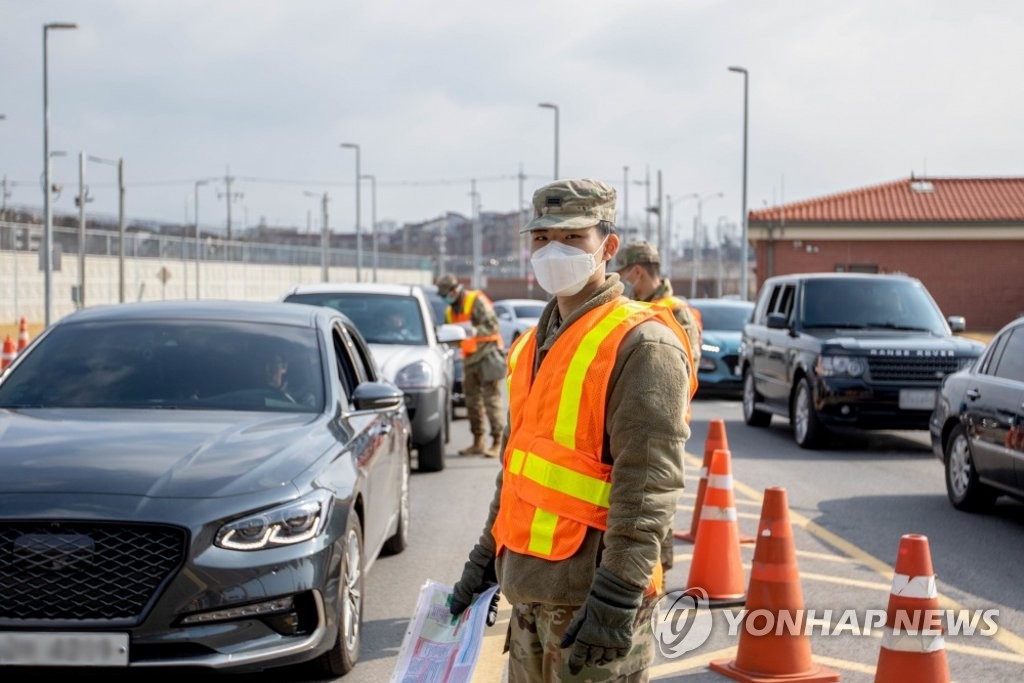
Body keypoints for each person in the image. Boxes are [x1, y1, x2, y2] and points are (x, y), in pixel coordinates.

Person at [448, 178, 695, 681]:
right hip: (529, 594)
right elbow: (518, 473)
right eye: (541, 239)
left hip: (592, 602)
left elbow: (649, 484)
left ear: (608, 247)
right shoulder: (531, 345)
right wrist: (483, 562)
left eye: (571, 238)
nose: (552, 250)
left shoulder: (643, 343)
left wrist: (618, 594)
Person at [615, 240, 703, 574]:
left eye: (622, 273)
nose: (619, 280)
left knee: (653, 499)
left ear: (636, 272)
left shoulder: (672, 310)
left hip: (663, 419)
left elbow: (682, 367)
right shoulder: (639, 306)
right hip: (635, 417)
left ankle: (656, 574)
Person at [435, 272, 506, 458]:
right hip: (470, 359)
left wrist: (473, 331)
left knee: (492, 402)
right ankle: (478, 442)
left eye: (446, 294)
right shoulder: (450, 312)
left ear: (455, 289)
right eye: (442, 296)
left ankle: (498, 442)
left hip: (488, 355)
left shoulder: (475, 300)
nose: (445, 298)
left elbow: (493, 326)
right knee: (472, 403)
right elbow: (452, 338)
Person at [616, 240, 703, 371]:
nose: (622, 281)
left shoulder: (677, 311)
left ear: (637, 272)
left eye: (623, 275)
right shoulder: (631, 308)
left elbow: (687, 368)